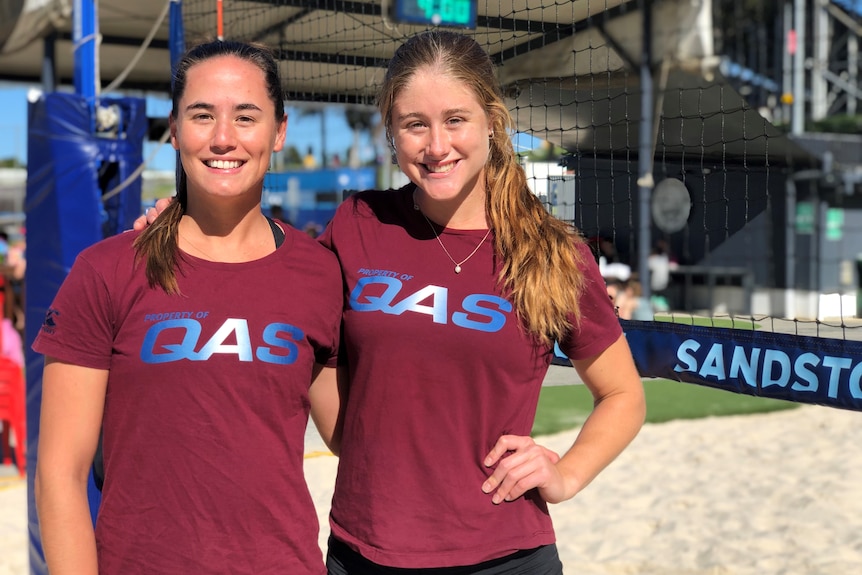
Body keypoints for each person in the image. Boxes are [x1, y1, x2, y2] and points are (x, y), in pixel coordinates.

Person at [141, 30, 646, 574]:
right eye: (414, 125)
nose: (436, 146)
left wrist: (564, 474)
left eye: (455, 120)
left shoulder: (552, 252)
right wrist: (191, 225)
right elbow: (270, 280)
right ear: (391, 133)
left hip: (505, 554)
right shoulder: (361, 222)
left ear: (492, 123)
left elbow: (622, 394)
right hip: (365, 552)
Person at [33, 40, 342, 574]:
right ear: (175, 129)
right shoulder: (106, 270)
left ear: (279, 131)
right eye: (202, 115)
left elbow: (354, 435)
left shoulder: (318, 272)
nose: (223, 138)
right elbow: (60, 473)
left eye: (247, 116)